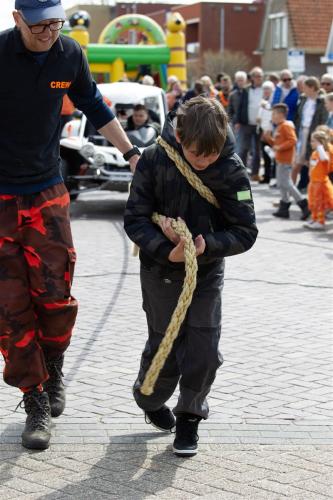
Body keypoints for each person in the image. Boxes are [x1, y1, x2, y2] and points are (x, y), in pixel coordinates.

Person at [0, 0, 141, 451]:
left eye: (56, 23)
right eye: (40, 24)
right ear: (17, 18)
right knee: (9, 306)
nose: (49, 32)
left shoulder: (69, 54)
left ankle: (54, 364)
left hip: (47, 190)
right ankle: (34, 396)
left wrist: (132, 153)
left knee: (55, 292)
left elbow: (94, 105)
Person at [124, 96, 258, 457]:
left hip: (206, 272)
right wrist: (164, 248)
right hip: (160, 271)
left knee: (204, 347)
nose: (204, 161)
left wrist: (208, 246)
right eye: (197, 154)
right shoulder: (154, 160)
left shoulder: (231, 169)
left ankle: (190, 416)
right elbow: (135, 218)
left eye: (211, 155)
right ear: (181, 137)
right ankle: (150, 398)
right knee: (164, 344)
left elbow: (246, 231)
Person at [263, 104, 310, 219]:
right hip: (280, 158)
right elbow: (276, 144)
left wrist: (280, 147)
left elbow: (293, 140)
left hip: (286, 159)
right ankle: (284, 208)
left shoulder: (286, 126)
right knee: (282, 183)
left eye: (274, 114)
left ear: (281, 114)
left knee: (287, 183)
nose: (272, 116)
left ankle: (304, 204)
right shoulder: (279, 126)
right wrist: (268, 138)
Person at [293, 77, 328, 189]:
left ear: (312, 88)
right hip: (302, 131)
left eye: (305, 87)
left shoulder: (321, 101)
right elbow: (298, 116)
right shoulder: (303, 99)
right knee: (300, 159)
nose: (303, 90)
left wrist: (319, 133)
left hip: (314, 132)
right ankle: (297, 187)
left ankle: (308, 185)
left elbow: (324, 118)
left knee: (311, 158)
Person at [235, 66, 264, 181]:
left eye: (260, 76)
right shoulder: (246, 90)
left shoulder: (265, 89)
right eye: (256, 76)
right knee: (243, 149)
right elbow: (240, 106)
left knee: (257, 150)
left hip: (259, 125)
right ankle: (242, 173)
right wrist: (237, 121)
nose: (258, 78)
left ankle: (255, 173)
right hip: (246, 123)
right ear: (252, 77)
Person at [303, 129, 333, 230]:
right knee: (313, 202)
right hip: (313, 182)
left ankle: (320, 221)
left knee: (319, 203)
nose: (311, 143)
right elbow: (312, 166)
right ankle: (314, 218)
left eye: (313, 141)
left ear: (320, 142)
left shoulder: (323, 153)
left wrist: (320, 146)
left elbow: (325, 160)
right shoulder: (314, 153)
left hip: (321, 183)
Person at [257, 80, 275, 184]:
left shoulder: (271, 102)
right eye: (264, 89)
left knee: (271, 155)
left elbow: (271, 115)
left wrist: (267, 131)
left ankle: (270, 176)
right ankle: (267, 175)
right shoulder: (263, 100)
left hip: (269, 131)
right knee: (265, 155)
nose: (266, 91)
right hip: (262, 130)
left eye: (268, 89)